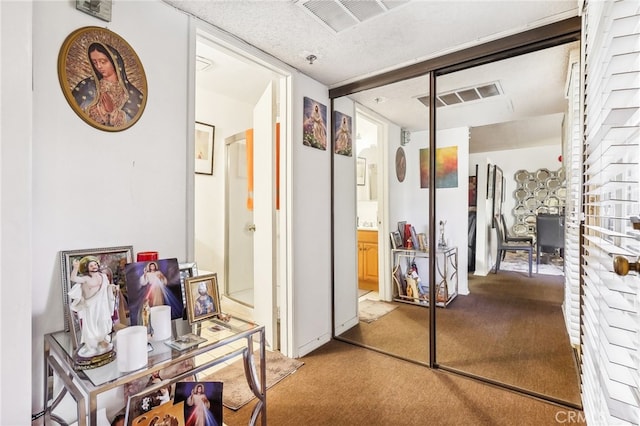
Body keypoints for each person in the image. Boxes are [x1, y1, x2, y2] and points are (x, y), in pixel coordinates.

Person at [72, 42, 143, 128]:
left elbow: (134, 121)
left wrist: (113, 112)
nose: (99, 66)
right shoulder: (86, 86)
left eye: (103, 61)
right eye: (94, 62)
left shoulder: (132, 94)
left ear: (114, 62)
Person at [69, 255, 118, 357]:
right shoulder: (85, 278)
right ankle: (92, 346)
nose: (94, 267)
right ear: (87, 268)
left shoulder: (103, 276)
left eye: (95, 264)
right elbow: (73, 278)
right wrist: (75, 268)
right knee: (91, 325)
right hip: (91, 305)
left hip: (102, 303)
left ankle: (102, 340)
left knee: (103, 321)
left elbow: (107, 288)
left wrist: (112, 288)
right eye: (91, 265)